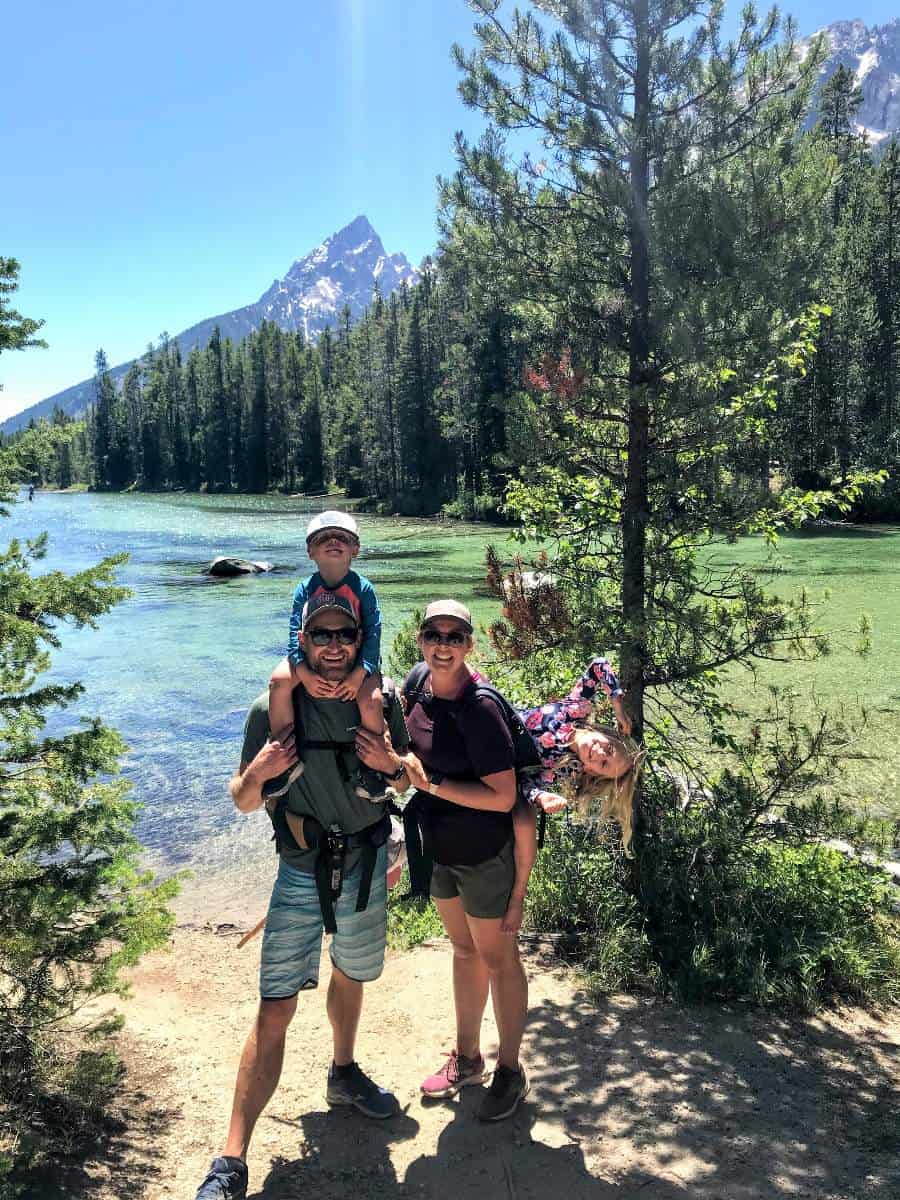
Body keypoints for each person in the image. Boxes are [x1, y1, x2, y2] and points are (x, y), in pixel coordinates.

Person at [193, 591, 411, 1200]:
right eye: (322, 636)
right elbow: (241, 799)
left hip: (365, 863)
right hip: (299, 868)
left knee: (352, 973)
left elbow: (407, 781)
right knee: (276, 1006)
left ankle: (343, 1072)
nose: (334, 646)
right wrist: (259, 772)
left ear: (357, 640)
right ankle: (231, 1158)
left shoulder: (379, 702)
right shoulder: (272, 709)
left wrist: (392, 764)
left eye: (345, 635)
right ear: (304, 641)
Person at [358, 599, 529, 1123]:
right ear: (422, 640)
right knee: (462, 951)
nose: (444, 645)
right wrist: (393, 768)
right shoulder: (416, 688)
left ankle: (511, 1071)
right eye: (435, 634)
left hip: (484, 855)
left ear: (470, 646)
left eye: (456, 637)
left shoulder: (481, 709)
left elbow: (504, 798)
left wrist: (431, 783)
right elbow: (410, 760)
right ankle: (469, 1058)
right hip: (441, 851)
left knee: (500, 962)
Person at [266, 510, 387, 802]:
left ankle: (371, 770)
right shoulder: (304, 589)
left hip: (357, 658)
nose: (333, 542)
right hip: (310, 656)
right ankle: (284, 757)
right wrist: (304, 673)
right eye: (323, 539)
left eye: (342, 538)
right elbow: (295, 632)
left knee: (371, 701)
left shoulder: (364, 589)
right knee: (277, 683)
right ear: (311, 551)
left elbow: (373, 634)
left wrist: (361, 672)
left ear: (355, 549)